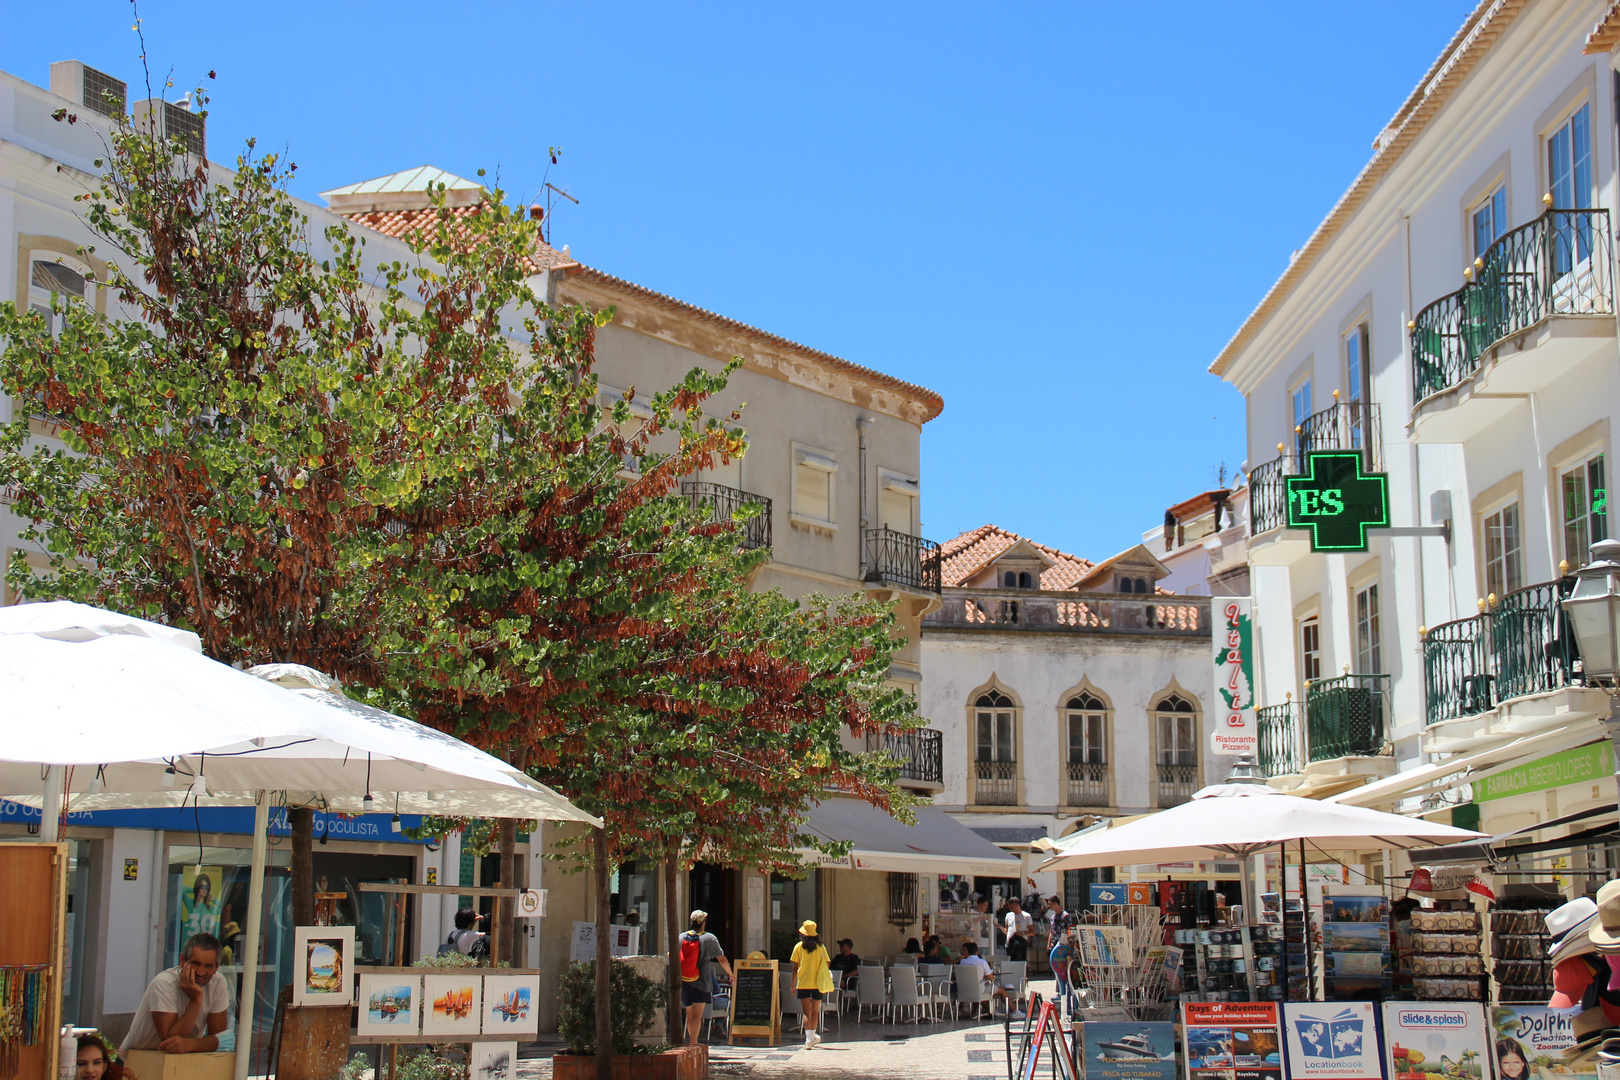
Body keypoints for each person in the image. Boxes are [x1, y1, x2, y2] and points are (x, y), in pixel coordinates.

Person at [120, 933, 231, 1055]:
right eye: (196, 963)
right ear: (182, 961)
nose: (201, 972)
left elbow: (219, 1039)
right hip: (135, 1060)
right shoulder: (164, 983)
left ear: (216, 967)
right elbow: (170, 1042)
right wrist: (196, 1000)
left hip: (181, 1061)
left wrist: (189, 1045)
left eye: (208, 966)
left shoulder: (218, 982)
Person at [678, 910, 733, 1046]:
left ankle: (691, 1041)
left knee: (689, 1014)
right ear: (703, 923)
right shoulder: (709, 938)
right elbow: (722, 959)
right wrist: (731, 974)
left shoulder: (681, 937)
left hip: (684, 980)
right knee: (697, 1014)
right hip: (701, 981)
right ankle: (693, 1043)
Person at [790, 921, 834, 1049]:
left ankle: (808, 1039)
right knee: (815, 1011)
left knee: (805, 1011)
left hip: (803, 982)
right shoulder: (821, 947)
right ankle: (812, 1037)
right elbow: (827, 963)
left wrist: (793, 985)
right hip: (817, 983)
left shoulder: (798, 947)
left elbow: (794, 967)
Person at [959, 941, 1022, 1019]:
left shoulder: (963, 962)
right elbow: (991, 978)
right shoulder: (982, 962)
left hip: (966, 989)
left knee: (982, 991)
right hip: (980, 988)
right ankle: (1014, 1011)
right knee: (1002, 990)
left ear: (967, 951)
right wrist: (984, 976)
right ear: (977, 952)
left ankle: (989, 1010)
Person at [1003, 897, 1034, 962]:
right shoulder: (1008, 915)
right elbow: (1007, 930)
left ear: (1017, 905)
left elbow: (1032, 932)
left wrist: (1022, 933)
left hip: (1020, 945)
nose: (1010, 909)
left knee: (1020, 964)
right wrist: (1000, 927)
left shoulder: (1026, 916)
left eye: (1011, 907)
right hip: (1010, 944)